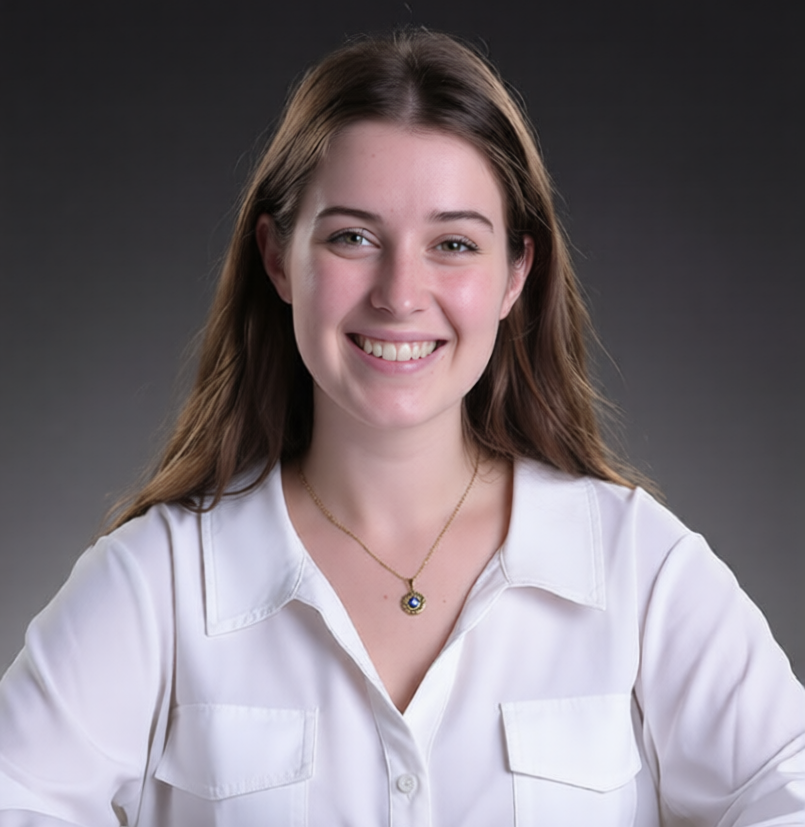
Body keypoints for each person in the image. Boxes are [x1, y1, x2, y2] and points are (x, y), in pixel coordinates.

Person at [0, 28, 803, 827]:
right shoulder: (160, 581)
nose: (400, 292)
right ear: (279, 259)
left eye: (453, 243)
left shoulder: (636, 566)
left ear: (515, 274)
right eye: (353, 237)